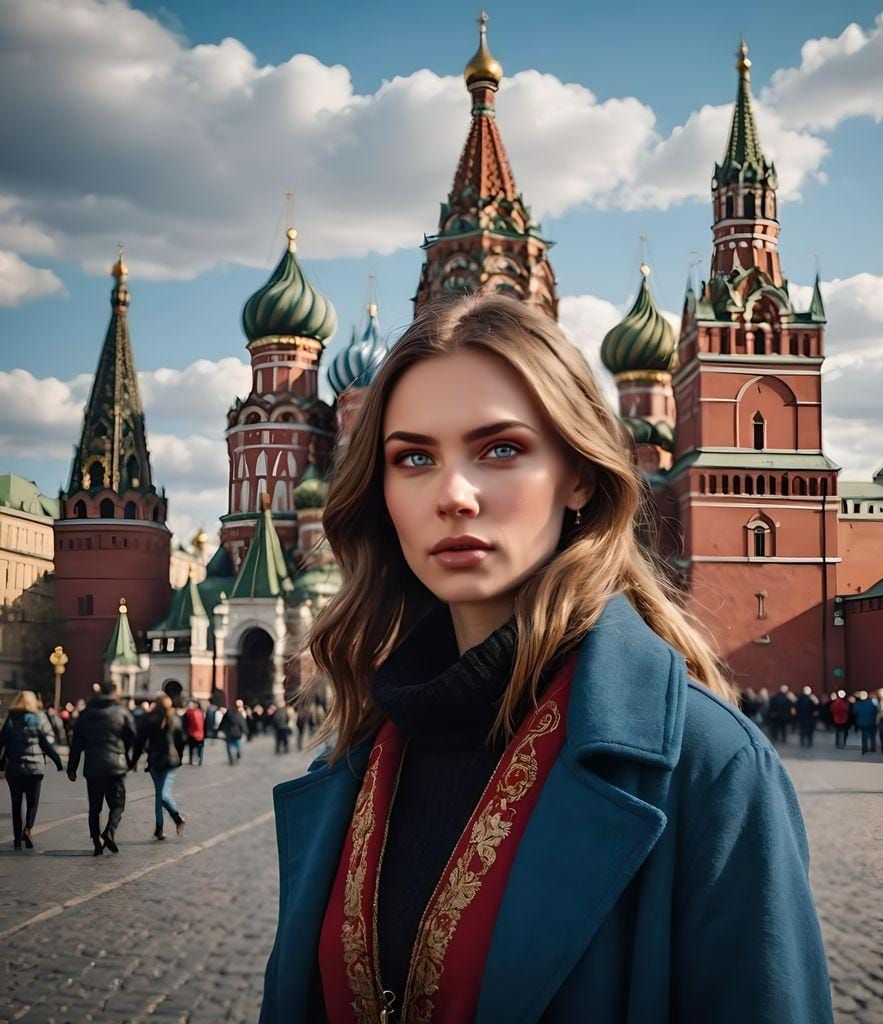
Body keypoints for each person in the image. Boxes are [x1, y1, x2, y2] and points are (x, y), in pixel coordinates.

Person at [258, 296, 833, 1023]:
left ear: (580, 476)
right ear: (380, 493)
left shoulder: (706, 770)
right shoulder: (349, 762)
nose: (453, 495)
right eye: (413, 458)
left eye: (501, 449)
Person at [67, 679, 136, 855]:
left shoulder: (85, 713)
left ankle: (96, 839)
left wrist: (72, 767)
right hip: (116, 766)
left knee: (94, 807)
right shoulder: (121, 712)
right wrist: (130, 759)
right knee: (118, 804)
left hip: (93, 766)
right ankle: (109, 832)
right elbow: (133, 737)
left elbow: (77, 743)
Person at [0, 691, 63, 849]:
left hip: (14, 768)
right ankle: (28, 829)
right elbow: (45, 744)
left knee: (16, 804)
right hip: (34, 769)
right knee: (32, 803)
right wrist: (58, 761)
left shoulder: (11, 720)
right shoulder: (36, 719)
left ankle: (16, 840)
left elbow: (1, 742)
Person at [130, 693, 187, 840]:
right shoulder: (174, 718)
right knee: (160, 795)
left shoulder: (149, 719)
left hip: (157, 760)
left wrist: (134, 760)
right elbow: (181, 740)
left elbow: (140, 742)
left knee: (161, 795)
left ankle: (171, 821)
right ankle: (163, 826)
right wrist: (180, 757)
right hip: (167, 761)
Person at [218, 699, 246, 766]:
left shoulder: (227, 714)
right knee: (237, 744)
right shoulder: (238, 714)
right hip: (237, 733)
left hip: (229, 733)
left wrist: (220, 729)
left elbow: (222, 722)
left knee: (230, 746)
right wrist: (245, 730)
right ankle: (237, 754)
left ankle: (231, 759)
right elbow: (242, 723)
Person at [183, 699, 205, 766]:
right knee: (200, 748)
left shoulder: (189, 712)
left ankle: (191, 761)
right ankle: (200, 760)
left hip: (191, 732)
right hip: (200, 733)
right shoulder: (201, 712)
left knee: (191, 748)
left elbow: (185, 723)